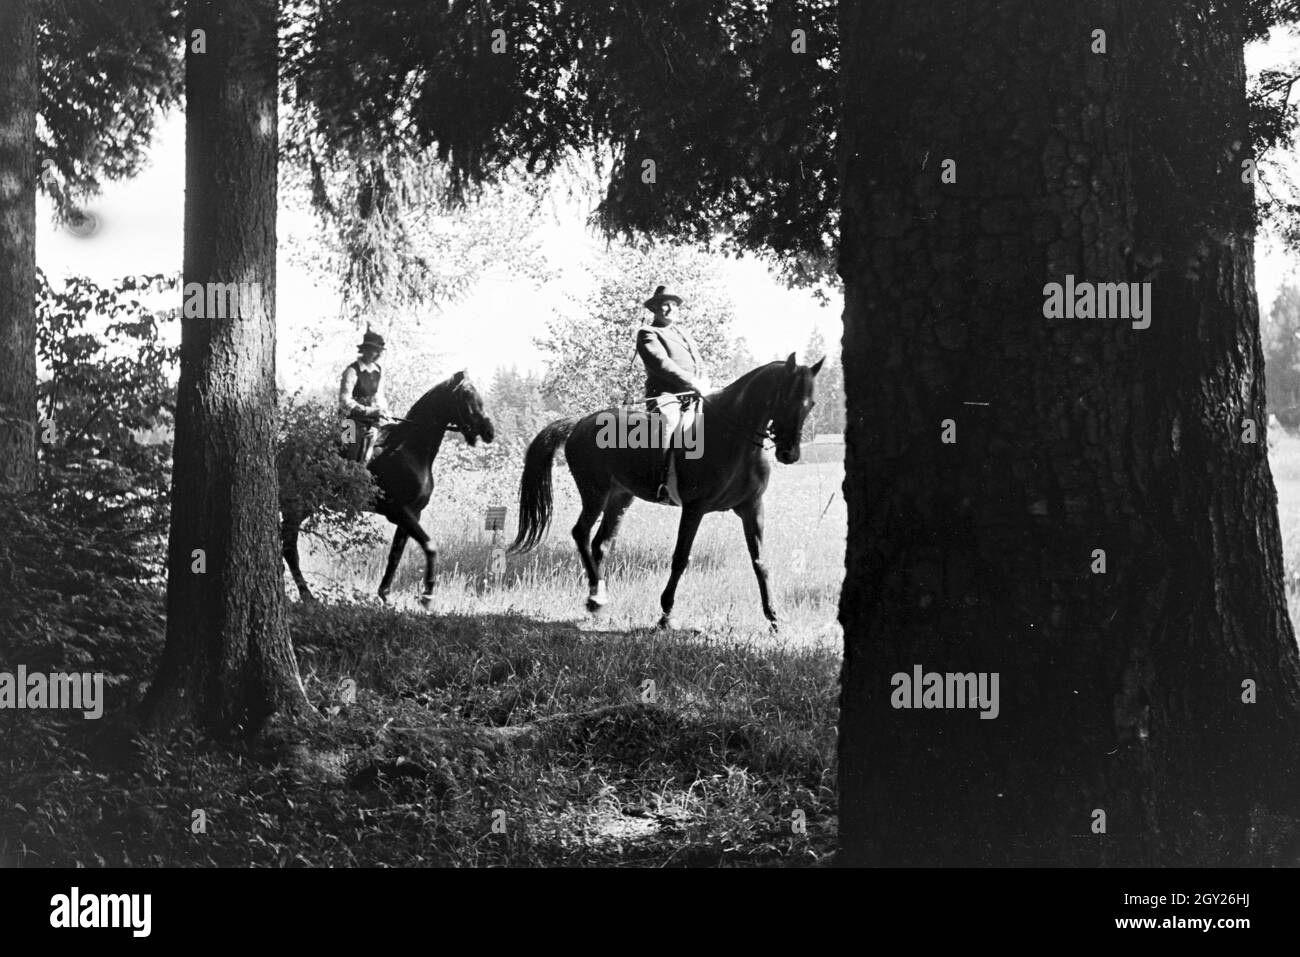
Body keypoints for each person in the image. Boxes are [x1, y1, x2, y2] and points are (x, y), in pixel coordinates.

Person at [636, 285, 711, 504]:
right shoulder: (648, 333)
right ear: (655, 309)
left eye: (672, 304)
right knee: (669, 422)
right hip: (665, 395)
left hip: (694, 393)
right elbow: (661, 364)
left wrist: (704, 380)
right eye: (663, 305)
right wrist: (692, 381)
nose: (669, 309)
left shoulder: (684, 334)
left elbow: (699, 362)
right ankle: (661, 483)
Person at [339, 329, 390, 463]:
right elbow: (345, 401)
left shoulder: (378, 371)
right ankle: (346, 478)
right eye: (372, 350)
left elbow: (380, 396)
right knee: (349, 454)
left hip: (372, 419)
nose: (375, 354)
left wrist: (380, 415)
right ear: (364, 350)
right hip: (349, 420)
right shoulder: (352, 371)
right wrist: (369, 411)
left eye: (378, 351)